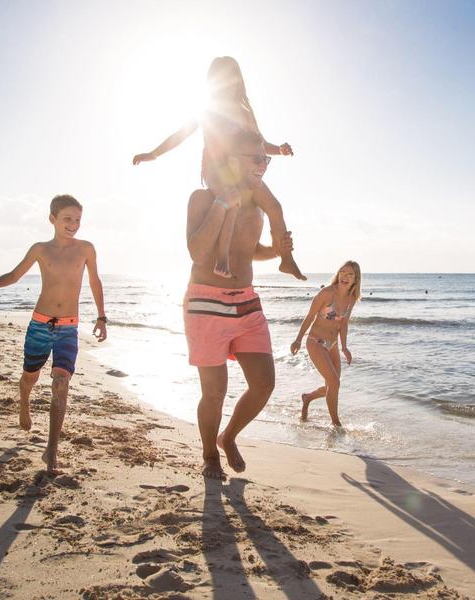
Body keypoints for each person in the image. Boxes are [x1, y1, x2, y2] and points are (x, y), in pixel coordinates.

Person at [0, 195, 107, 473]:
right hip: (40, 325)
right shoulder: (41, 249)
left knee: (61, 383)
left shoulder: (86, 249)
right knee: (30, 376)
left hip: (68, 327)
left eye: (78, 220)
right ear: (52, 219)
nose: (73, 225)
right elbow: (15, 275)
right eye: (67, 219)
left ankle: (51, 450)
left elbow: (95, 281)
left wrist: (102, 317)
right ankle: (24, 402)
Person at [133, 55, 305, 281]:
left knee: (274, 206)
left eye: (232, 77)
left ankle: (286, 259)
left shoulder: (245, 111)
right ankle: (221, 257)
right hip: (217, 170)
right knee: (231, 200)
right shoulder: (208, 110)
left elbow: (258, 144)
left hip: (243, 170)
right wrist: (153, 154)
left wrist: (278, 150)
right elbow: (180, 134)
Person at [184, 128, 291, 480]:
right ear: (231, 160)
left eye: (266, 158)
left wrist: (275, 250)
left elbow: (248, 251)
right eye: (256, 158)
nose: (263, 164)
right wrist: (220, 205)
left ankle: (228, 436)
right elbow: (199, 252)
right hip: (205, 302)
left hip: (246, 302)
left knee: (264, 383)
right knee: (214, 392)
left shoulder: (259, 203)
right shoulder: (201, 198)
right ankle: (208, 455)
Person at [290, 261, 361, 427]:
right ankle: (336, 424)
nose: (345, 276)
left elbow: (343, 324)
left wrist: (344, 347)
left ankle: (308, 398)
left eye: (350, 274)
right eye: (343, 272)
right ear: (338, 273)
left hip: (333, 344)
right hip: (315, 342)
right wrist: (298, 339)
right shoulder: (326, 293)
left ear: (355, 280)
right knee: (335, 383)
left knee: (332, 384)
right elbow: (310, 317)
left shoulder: (351, 298)